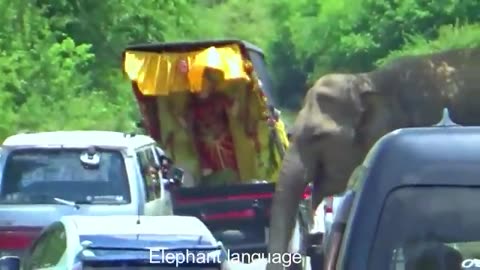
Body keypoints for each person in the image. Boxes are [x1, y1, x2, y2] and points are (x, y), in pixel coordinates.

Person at [179, 68, 240, 185]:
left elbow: (232, 112)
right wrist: (181, 120)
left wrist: (237, 100)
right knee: (211, 171)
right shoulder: (193, 106)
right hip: (206, 145)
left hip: (225, 141)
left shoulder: (219, 98)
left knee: (231, 169)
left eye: (204, 83)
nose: (202, 87)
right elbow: (188, 125)